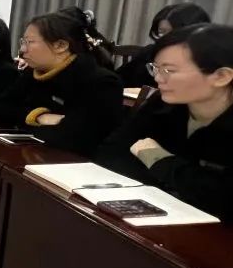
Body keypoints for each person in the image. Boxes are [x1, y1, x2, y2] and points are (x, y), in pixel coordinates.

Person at [94, 24, 233, 220]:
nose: (158, 78)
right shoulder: (162, 103)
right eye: (155, 68)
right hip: (152, 213)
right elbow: (110, 153)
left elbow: (223, 200)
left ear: (221, 76)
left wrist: (158, 160)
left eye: (169, 70)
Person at [0, 12, 123, 155]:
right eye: (23, 42)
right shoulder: (34, 71)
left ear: (60, 46)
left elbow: (74, 138)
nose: (22, 50)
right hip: (34, 153)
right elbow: (0, 106)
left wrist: (23, 119)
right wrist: (37, 116)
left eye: (30, 42)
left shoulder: (102, 83)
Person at [118, 3, 211, 87]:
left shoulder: (205, 64)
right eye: (161, 32)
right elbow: (118, 80)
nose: (164, 38)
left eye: (172, 32)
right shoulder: (149, 53)